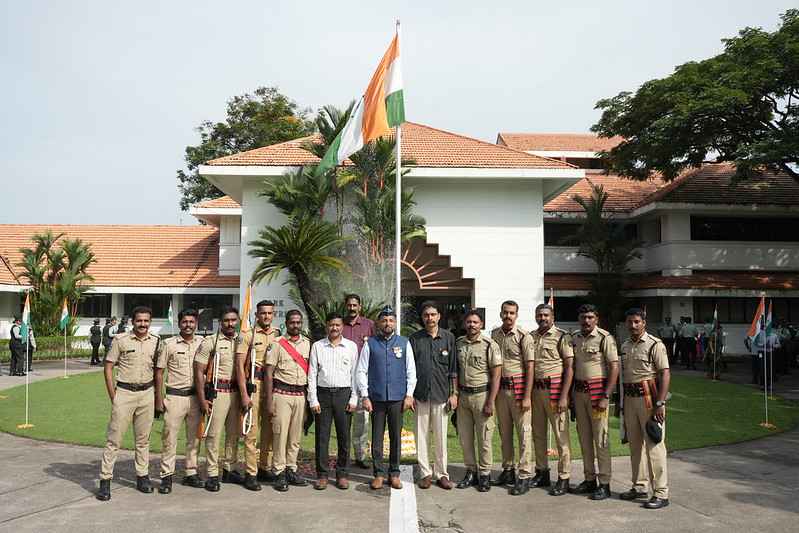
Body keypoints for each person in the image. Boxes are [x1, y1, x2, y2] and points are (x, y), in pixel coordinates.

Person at [96, 306, 160, 501]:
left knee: (143, 440)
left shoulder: (156, 342)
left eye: (146, 321)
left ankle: (142, 477)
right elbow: (108, 367)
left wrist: (157, 397)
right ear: (133, 321)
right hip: (124, 393)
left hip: (147, 394)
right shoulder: (120, 340)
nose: (143, 324)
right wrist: (113, 396)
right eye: (139, 320)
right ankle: (105, 480)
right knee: (114, 440)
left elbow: (158, 371)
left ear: (150, 322)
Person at [356, 306, 417, 490]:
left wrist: (409, 395)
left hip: (398, 398)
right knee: (377, 437)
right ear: (379, 323)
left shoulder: (404, 343)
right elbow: (361, 370)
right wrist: (365, 396)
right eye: (384, 320)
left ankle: (395, 473)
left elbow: (411, 371)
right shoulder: (370, 343)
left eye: (391, 320)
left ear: (395, 323)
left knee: (395, 437)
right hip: (376, 398)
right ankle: (378, 474)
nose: (387, 323)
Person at [619, 307, 671, 510]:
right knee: (635, 446)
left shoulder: (654, 344)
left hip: (649, 400)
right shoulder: (624, 345)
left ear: (644, 323)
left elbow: (665, 374)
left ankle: (661, 492)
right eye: (630, 322)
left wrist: (660, 403)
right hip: (630, 400)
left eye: (636, 322)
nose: (632, 325)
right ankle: (639, 486)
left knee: (655, 446)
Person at [570, 304, 619, 501]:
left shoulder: (605, 338)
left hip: (598, 394)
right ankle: (589, 479)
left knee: (601, 439)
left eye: (590, 317)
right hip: (579, 394)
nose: (586, 321)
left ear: (596, 319)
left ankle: (604, 483)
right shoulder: (574, 338)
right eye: (583, 317)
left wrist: (606, 395)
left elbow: (614, 367)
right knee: (584, 438)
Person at [154, 308, 205, 494]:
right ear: (179, 323)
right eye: (184, 322)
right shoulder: (168, 344)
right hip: (174, 397)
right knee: (169, 438)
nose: (188, 325)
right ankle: (166, 476)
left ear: (196, 323)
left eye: (191, 322)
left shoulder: (203, 343)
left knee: (194, 439)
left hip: (195, 399)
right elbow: (159, 373)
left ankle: (191, 473)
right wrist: (158, 399)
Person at [194, 306, 243, 492]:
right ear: (220, 322)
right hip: (218, 392)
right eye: (226, 321)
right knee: (214, 435)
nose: (230, 324)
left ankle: (229, 469)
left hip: (236, 393)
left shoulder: (241, 340)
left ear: (237, 321)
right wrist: (202, 399)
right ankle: (212, 473)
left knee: (233, 434)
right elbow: (198, 371)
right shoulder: (210, 342)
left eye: (233, 320)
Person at [308, 312, 359, 490]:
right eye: (331, 325)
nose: (334, 328)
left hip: (344, 395)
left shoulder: (351, 347)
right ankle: (322, 475)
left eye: (337, 325)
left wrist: (354, 398)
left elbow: (355, 374)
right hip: (323, 395)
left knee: (344, 437)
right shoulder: (317, 346)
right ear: (326, 326)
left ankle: (342, 474)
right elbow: (312, 374)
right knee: (322, 437)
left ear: (342, 327)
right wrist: (313, 399)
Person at [410, 301, 457, 490]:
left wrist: (454, 394)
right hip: (420, 395)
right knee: (420, 436)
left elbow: (453, 368)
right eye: (426, 315)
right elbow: (409, 370)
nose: (429, 318)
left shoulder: (449, 338)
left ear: (439, 316)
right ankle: (425, 473)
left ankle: (442, 474)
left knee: (440, 437)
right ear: (423, 318)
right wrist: (409, 395)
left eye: (432, 314)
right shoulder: (414, 339)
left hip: (441, 395)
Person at [490, 300, 535, 495]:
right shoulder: (494, 335)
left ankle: (524, 475)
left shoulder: (524, 336)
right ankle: (508, 470)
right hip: (501, 391)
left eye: (512, 313)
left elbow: (530, 367)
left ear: (516, 315)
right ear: (500, 314)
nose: (508, 316)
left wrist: (526, 396)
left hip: (518, 390)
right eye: (505, 312)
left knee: (524, 433)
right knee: (504, 432)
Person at [529, 303, 575, 496]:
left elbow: (569, 367)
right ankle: (542, 472)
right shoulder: (531, 337)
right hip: (535, 391)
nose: (542, 318)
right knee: (538, 435)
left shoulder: (562, 337)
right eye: (539, 315)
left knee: (560, 436)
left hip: (555, 391)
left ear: (552, 316)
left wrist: (565, 395)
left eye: (546, 315)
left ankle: (564, 478)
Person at [453, 309, 501, 492]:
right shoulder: (459, 343)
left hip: (482, 397)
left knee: (484, 439)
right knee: (465, 438)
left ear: (481, 325)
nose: (472, 325)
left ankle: (485, 475)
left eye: (475, 322)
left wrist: (490, 401)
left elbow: (496, 376)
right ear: (465, 324)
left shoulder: (490, 345)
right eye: (469, 322)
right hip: (464, 397)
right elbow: (455, 372)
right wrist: (456, 394)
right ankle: (471, 472)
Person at [235, 300, 281, 490]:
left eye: (270, 313)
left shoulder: (277, 334)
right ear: (257, 314)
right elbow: (239, 365)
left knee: (269, 430)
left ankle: (264, 467)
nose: (266, 317)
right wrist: (244, 394)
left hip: (272, 386)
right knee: (251, 431)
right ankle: (251, 473)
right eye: (263, 313)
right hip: (254, 384)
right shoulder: (247, 335)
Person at [265, 309, 312, 492]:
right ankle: (279, 471)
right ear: (286, 323)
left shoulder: (307, 344)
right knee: (280, 435)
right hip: (281, 394)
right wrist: (269, 401)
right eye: (292, 322)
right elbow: (269, 373)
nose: (295, 326)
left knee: (294, 437)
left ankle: (291, 469)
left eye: (298, 322)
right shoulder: (277, 344)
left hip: (300, 395)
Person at [342, 293, 374, 469]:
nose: (352, 308)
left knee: (362, 420)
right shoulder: (340, 325)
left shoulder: (369, 325)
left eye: (355, 305)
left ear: (359, 307)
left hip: (363, 379)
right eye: (349, 305)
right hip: (344, 379)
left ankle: (360, 456)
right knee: (344, 419)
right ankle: (344, 455)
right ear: (345, 306)